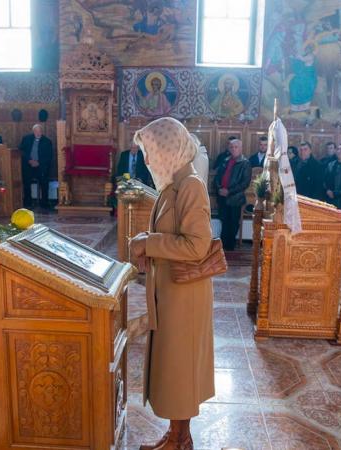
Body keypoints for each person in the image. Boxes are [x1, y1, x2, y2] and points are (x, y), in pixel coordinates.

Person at [128, 117, 214, 450]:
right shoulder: (174, 183)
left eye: (151, 151)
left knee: (179, 367)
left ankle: (179, 439)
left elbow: (197, 245)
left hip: (185, 296)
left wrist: (148, 243)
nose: (148, 159)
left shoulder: (190, 185)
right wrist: (149, 243)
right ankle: (178, 436)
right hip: (172, 291)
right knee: (173, 365)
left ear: (168, 148)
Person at [213, 139, 252, 251]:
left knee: (233, 222)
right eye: (232, 147)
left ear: (240, 149)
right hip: (222, 196)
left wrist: (229, 191)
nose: (234, 149)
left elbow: (245, 183)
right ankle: (223, 244)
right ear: (229, 148)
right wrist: (219, 188)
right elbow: (217, 177)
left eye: (236, 147)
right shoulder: (225, 160)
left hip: (235, 198)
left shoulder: (245, 163)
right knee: (224, 220)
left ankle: (229, 246)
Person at [19, 124, 54, 209]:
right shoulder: (26, 139)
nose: (38, 133)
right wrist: (29, 160)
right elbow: (21, 151)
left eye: (39, 131)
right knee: (26, 181)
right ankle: (28, 202)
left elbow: (49, 156)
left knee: (44, 182)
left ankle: (44, 202)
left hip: (41, 165)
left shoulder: (47, 141)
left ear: (42, 131)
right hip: (28, 164)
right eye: (36, 131)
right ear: (33, 131)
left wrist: (39, 162)